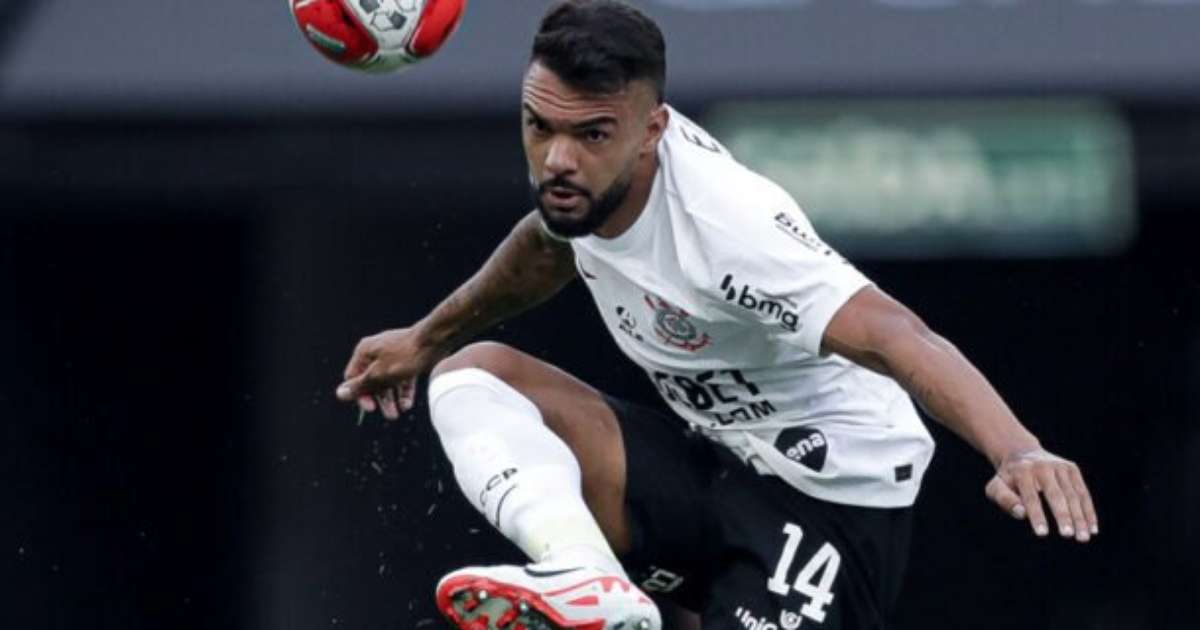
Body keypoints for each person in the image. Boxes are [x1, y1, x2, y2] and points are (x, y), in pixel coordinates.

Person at [336, 2, 1100, 628]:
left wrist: (1017, 451)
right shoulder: (580, 192)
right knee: (473, 378)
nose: (558, 159)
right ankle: (590, 584)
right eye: (540, 127)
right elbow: (545, 247)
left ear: (652, 132)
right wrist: (425, 338)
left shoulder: (728, 232)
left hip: (830, 504)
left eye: (591, 134)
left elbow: (897, 335)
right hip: (708, 464)